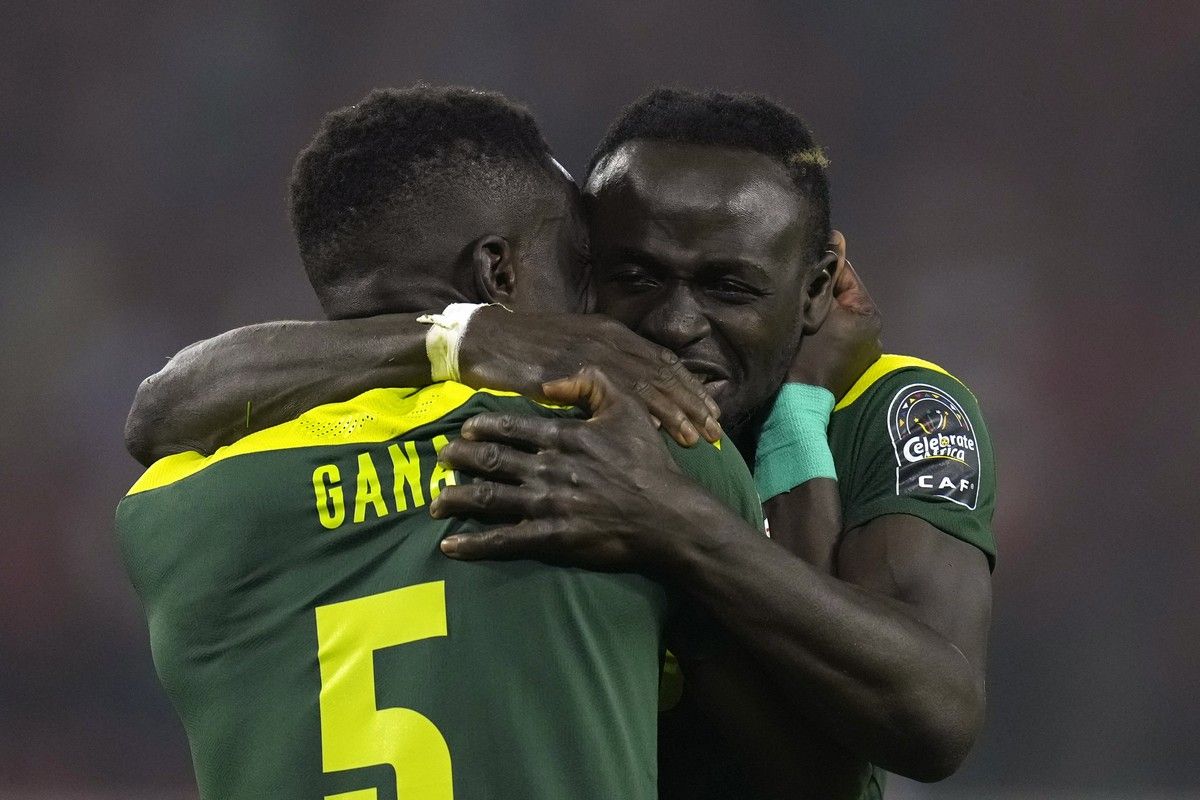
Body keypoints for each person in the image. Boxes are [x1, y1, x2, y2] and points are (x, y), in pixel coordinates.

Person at [126, 87, 996, 798]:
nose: (674, 323)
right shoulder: (567, 425)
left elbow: (933, 717)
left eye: (729, 287)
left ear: (815, 289)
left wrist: (782, 432)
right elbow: (162, 403)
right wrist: (466, 334)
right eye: (623, 274)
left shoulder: (891, 408)